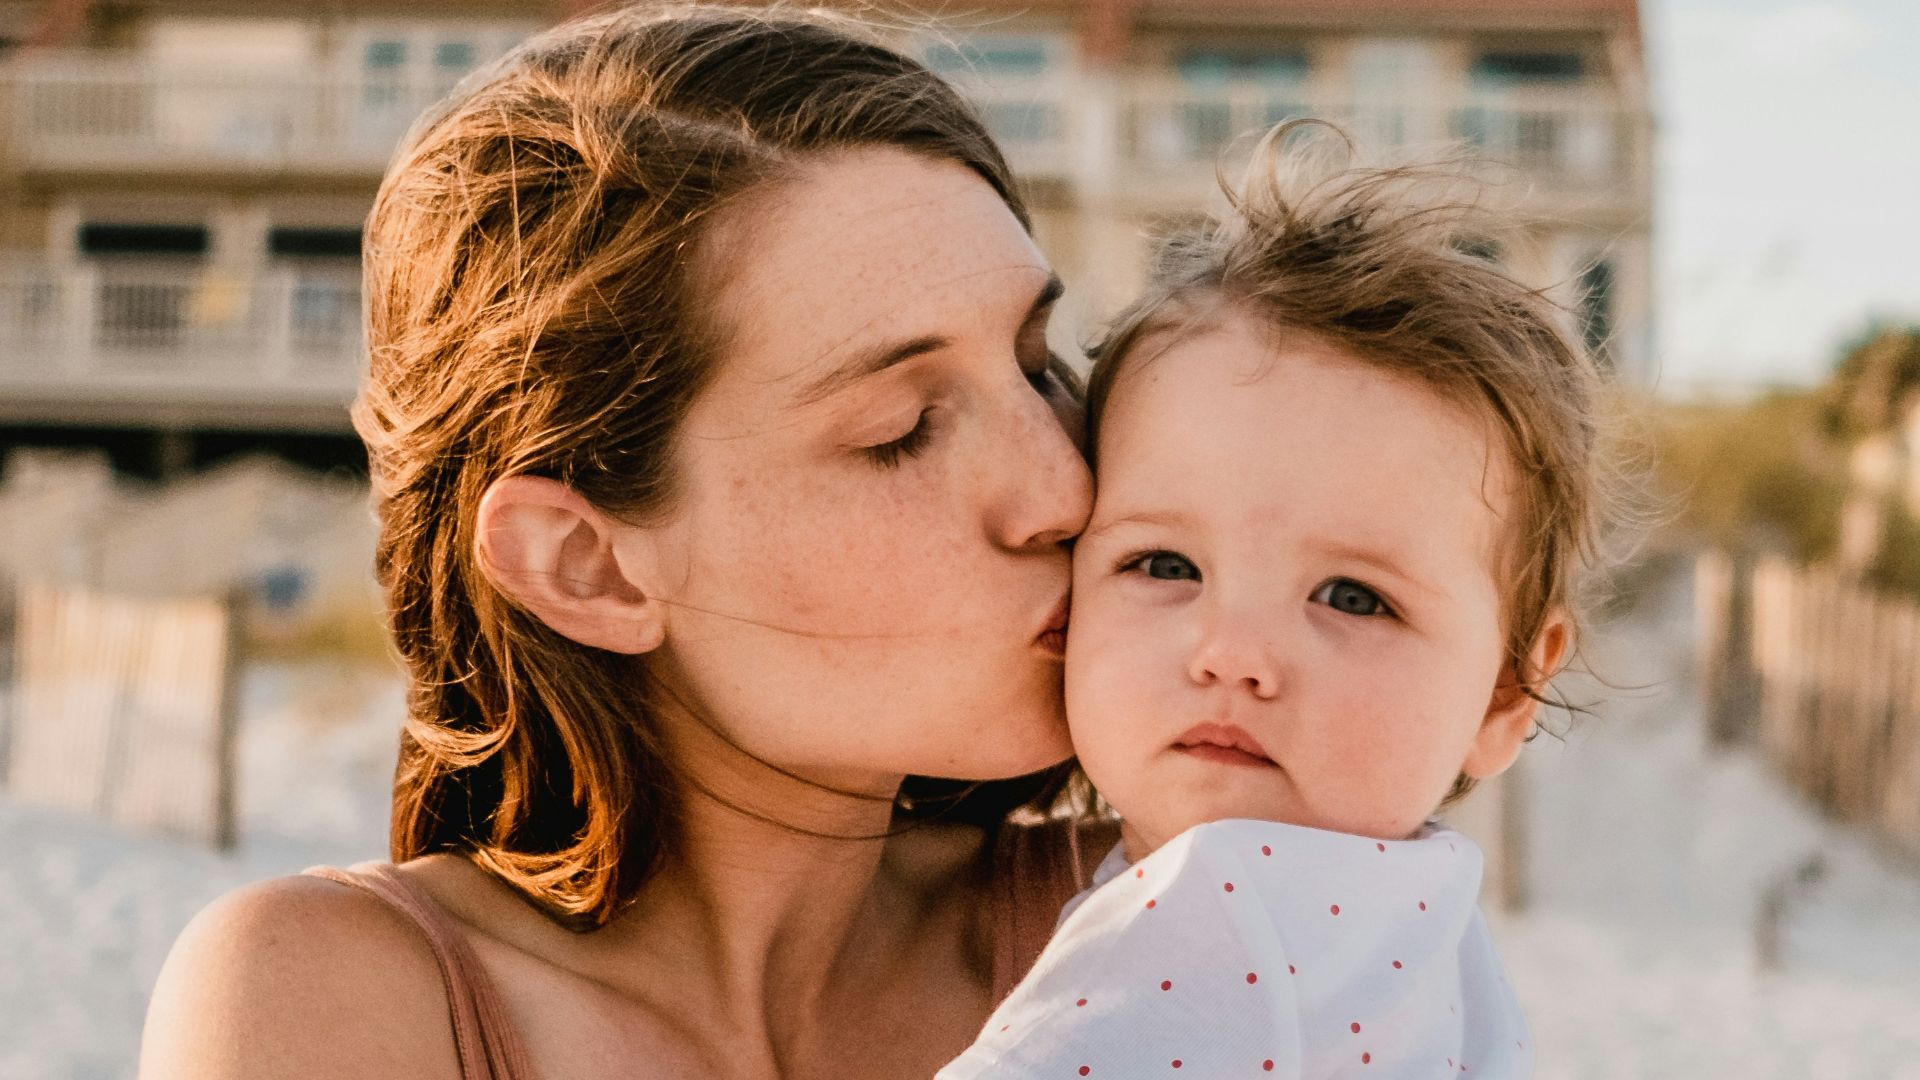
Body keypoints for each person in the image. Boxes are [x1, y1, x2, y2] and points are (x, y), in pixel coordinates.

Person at [138, 7, 1114, 1079]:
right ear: (584, 565)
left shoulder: (1157, 927)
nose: (1063, 486)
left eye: (1034, 363)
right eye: (900, 432)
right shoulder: (332, 995)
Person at [938, 124, 1620, 1078]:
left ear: (1509, 690)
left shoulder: (1226, 910)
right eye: (1166, 565)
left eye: (1352, 596)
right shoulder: (1419, 924)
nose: (1232, 652)